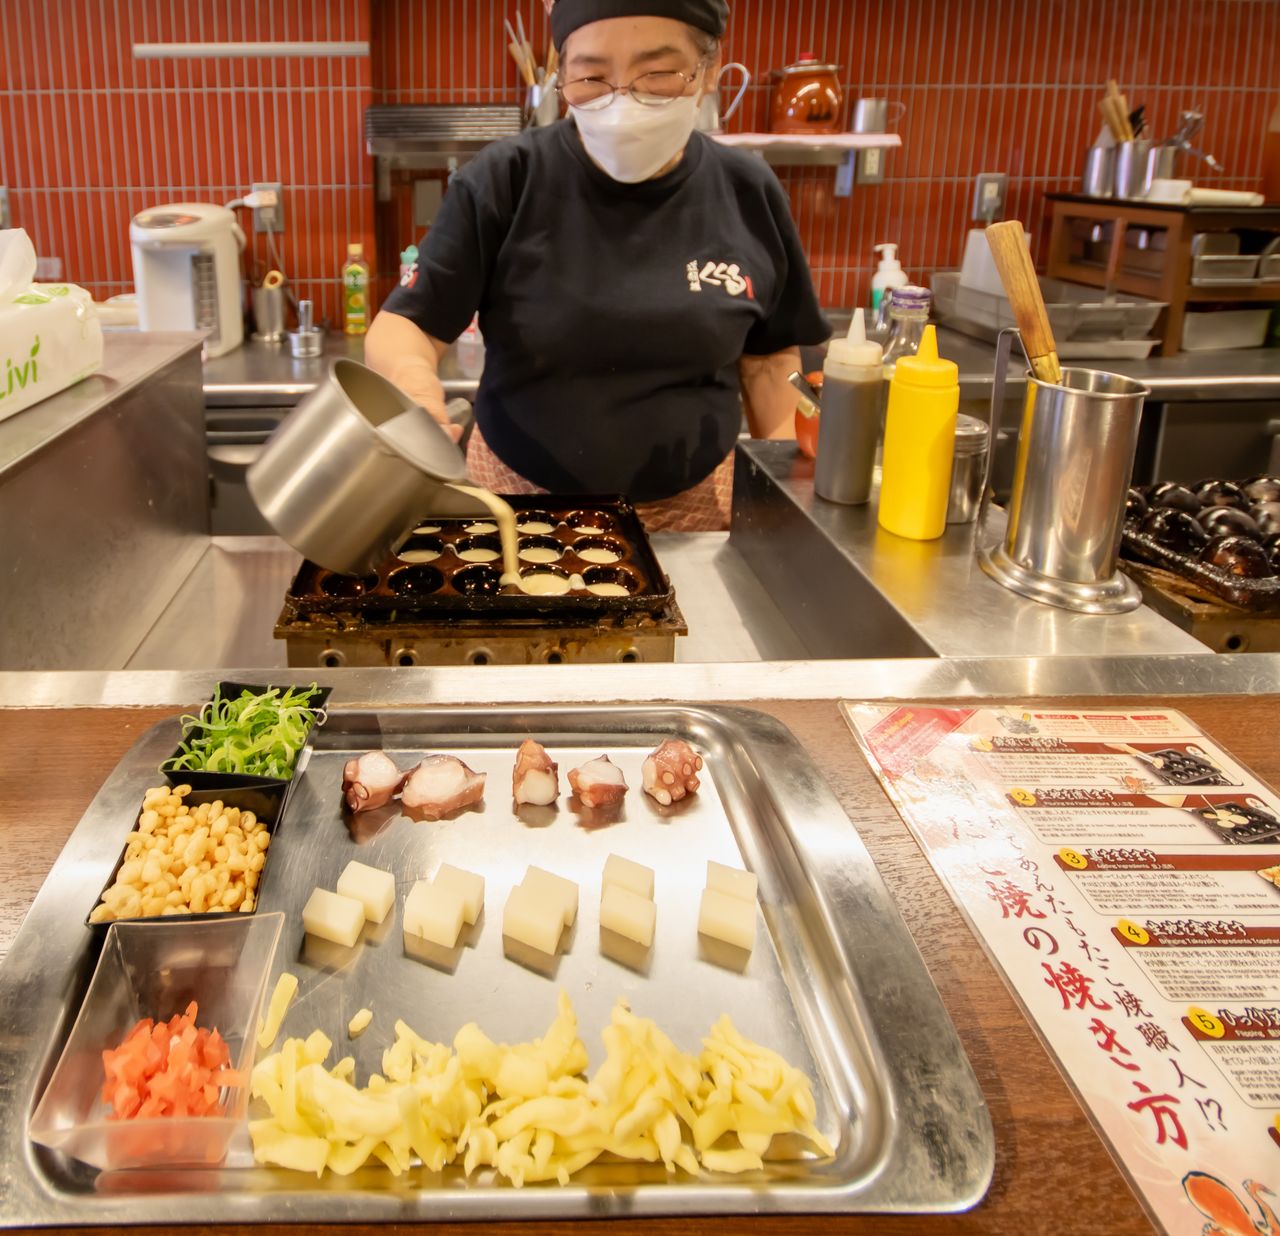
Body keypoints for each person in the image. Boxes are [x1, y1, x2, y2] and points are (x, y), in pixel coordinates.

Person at [366, 0, 829, 532]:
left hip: (696, 509)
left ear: (709, 70)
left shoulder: (748, 190)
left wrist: (785, 512)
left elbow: (770, 362)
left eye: (658, 73)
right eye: (591, 77)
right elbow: (407, 324)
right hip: (519, 504)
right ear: (562, 75)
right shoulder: (505, 179)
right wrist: (415, 386)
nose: (623, 101)